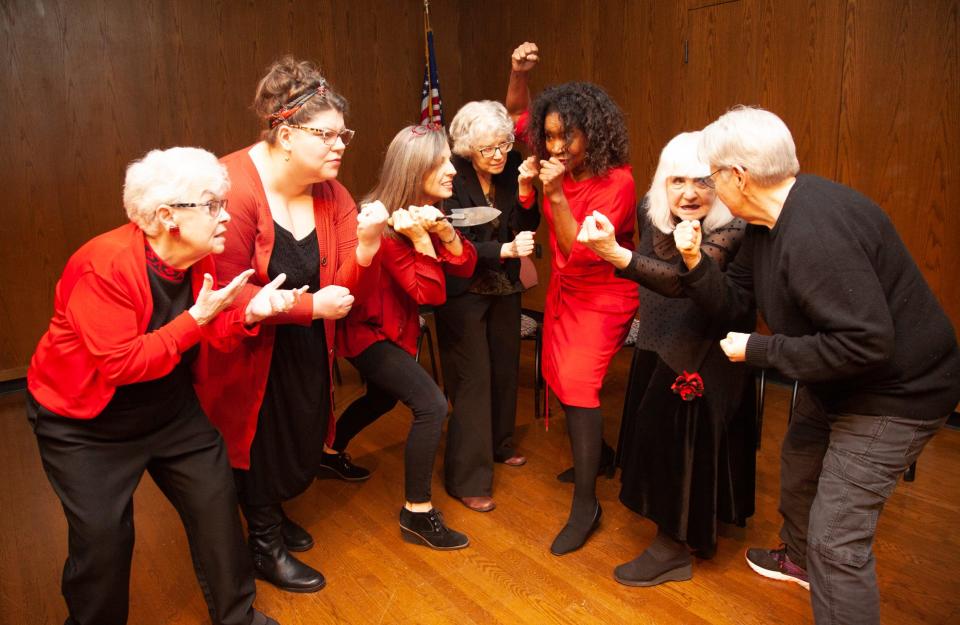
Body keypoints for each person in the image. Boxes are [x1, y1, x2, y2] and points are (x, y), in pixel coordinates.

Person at [673, 106, 960, 624]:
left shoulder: (815, 235)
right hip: (837, 377)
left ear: (738, 176)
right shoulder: (763, 224)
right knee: (801, 465)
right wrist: (694, 264)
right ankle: (800, 559)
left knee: (838, 542)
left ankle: (820, 562)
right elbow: (736, 301)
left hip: (897, 394)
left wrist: (760, 351)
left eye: (713, 175)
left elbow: (865, 345)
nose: (709, 186)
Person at [26, 147, 295, 625]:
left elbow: (206, 328)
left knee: (217, 509)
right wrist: (197, 320)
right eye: (212, 205)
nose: (226, 216)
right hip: (85, 425)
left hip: (169, 411)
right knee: (103, 543)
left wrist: (249, 312)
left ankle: (239, 617)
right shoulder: (103, 264)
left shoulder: (198, 259)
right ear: (167, 216)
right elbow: (123, 364)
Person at [197, 57, 386, 593]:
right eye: (325, 134)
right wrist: (306, 309)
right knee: (256, 441)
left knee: (296, 435)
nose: (340, 145)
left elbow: (348, 292)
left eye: (342, 133)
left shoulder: (334, 194)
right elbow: (227, 295)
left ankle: (271, 513)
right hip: (245, 346)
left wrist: (368, 245)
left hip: (305, 344)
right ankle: (263, 543)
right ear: (284, 133)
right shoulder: (233, 189)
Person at [576, 131, 757, 586]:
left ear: (721, 182)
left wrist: (615, 256)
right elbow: (656, 267)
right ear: (662, 182)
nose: (689, 193)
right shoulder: (649, 208)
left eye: (702, 181)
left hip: (702, 350)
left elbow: (681, 281)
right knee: (658, 439)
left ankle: (672, 548)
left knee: (683, 445)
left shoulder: (733, 226)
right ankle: (688, 528)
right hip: (657, 341)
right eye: (677, 181)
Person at [505, 42, 639, 555]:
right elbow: (519, 113)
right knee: (558, 376)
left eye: (569, 135)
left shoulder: (618, 183)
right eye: (551, 135)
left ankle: (588, 505)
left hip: (603, 292)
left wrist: (556, 194)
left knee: (580, 384)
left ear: (595, 133)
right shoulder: (548, 152)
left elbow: (580, 251)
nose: (556, 146)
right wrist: (517, 73)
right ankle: (601, 455)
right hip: (566, 289)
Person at [333, 123, 478, 549]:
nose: (453, 169)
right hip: (367, 333)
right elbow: (431, 294)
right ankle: (417, 514)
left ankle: (328, 453)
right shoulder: (389, 224)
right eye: (442, 161)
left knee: (381, 397)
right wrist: (420, 239)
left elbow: (465, 266)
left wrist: (443, 232)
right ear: (416, 170)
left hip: (394, 331)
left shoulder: (424, 212)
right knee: (431, 405)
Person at [433, 100, 540, 513]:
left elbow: (527, 227)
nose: (498, 155)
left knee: (504, 368)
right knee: (473, 380)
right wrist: (504, 247)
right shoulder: (450, 177)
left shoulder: (512, 166)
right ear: (466, 149)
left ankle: (499, 443)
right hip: (463, 289)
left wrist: (528, 195)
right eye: (488, 149)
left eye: (503, 145)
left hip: (503, 284)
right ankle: (466, 478)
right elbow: (450, 243)